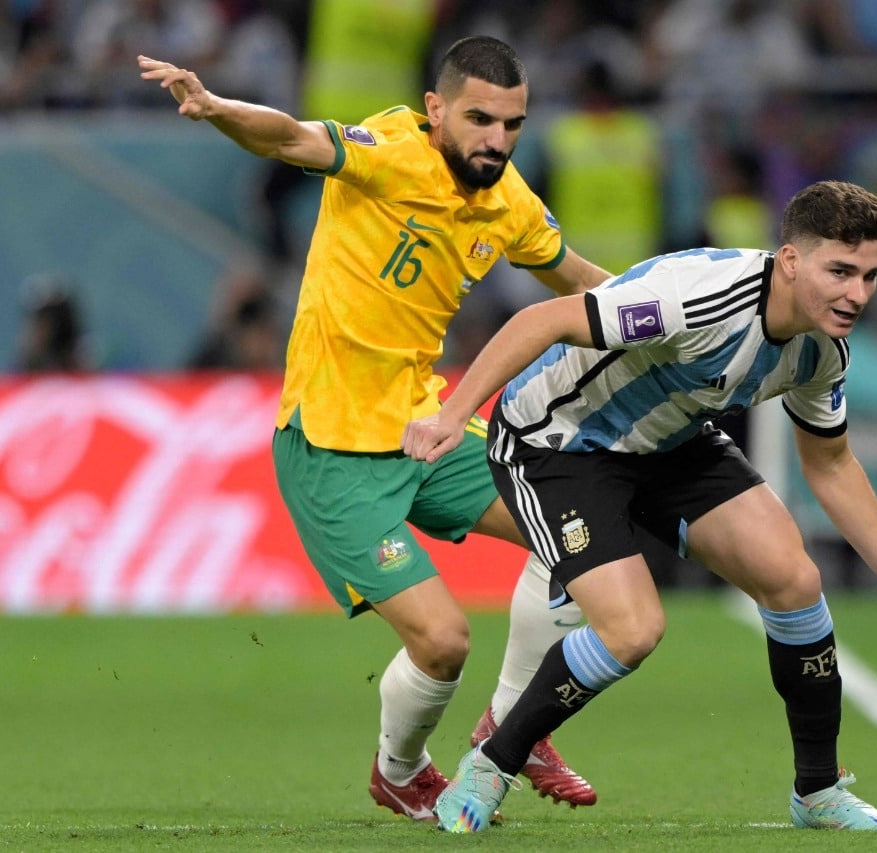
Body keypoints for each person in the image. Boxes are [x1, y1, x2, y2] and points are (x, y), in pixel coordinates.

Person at [403, 180, 877, 832]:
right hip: (558, 441)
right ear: (791, 260)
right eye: (840, 272)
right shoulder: (700, 297)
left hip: (669, 439)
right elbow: (543, 319)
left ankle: (818, 791)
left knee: (794, 579)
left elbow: (830, 464)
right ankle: (493, 762)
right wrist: (453, 415)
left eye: (870, 275)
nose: (858, 294)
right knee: (632, 630)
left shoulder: (822, 347)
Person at [137, 35, 613, 820]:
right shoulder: (388, 150)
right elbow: (289, 136)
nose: (497, 140)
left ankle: (516, 727)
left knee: (578, 532)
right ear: (435, 110)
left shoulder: (509, 201)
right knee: (444, 641)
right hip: (332, 447)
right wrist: (217, 108)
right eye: (480, 119)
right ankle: (400, 770)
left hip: (423, 427)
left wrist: (685, 309)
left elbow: (585, 284)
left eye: (512, 124)